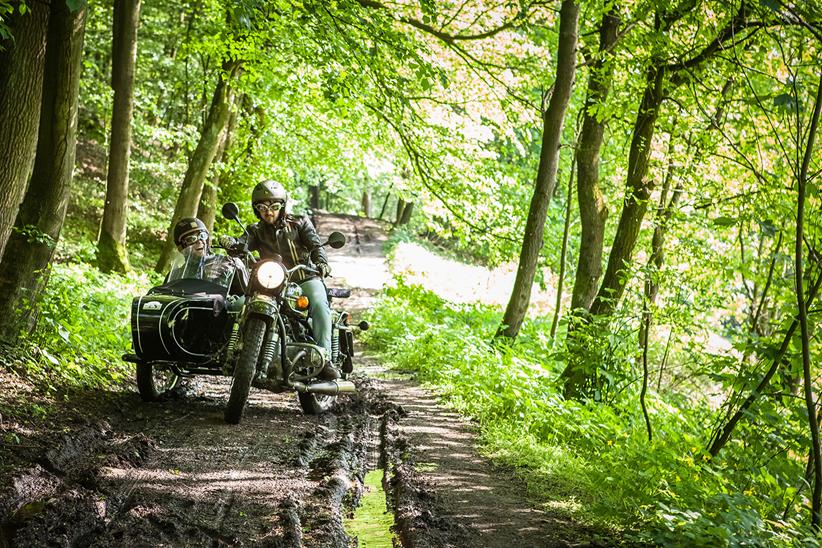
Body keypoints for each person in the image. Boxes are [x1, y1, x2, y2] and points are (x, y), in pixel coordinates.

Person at [236, 180, 338, 380]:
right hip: (270, 284)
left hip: (303, 279)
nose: (268, 212)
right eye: (262, 207)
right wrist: (233, 244)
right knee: (239, 304)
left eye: (274, 206)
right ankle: (237, 351)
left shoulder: (300, 223)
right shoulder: (254, 230)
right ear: (256, 209)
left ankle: (324, 360)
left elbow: (316, 246)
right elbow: (243, 244)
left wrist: (322, 263)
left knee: (319, 304)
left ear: (282, 206)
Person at [168, 217, 246, 293]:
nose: (199, 241)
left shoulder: (226, 262)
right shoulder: (176, 275)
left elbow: (248, 296)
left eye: (202, 235)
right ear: (181, 247)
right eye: (191, 239)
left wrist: (235, 264)